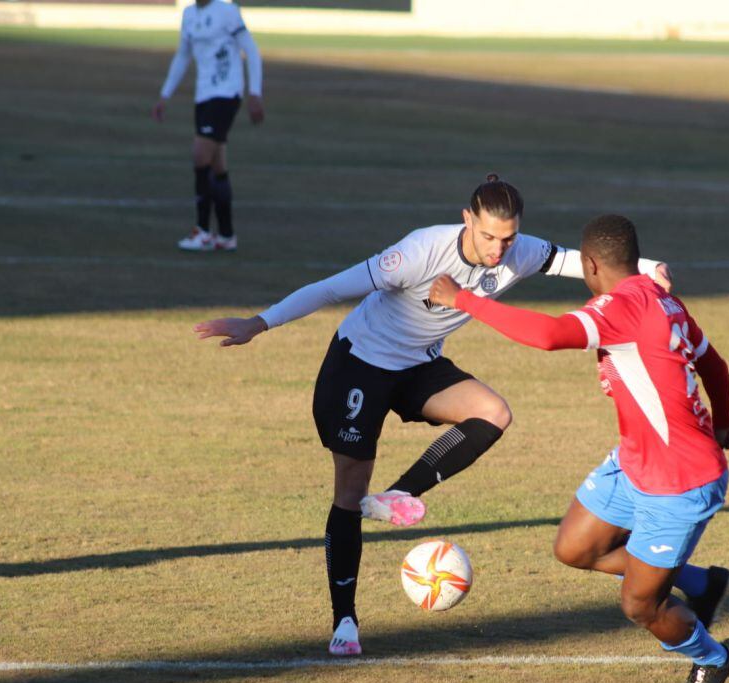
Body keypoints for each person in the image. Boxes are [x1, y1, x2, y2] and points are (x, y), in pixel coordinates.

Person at [194, 176, 671, 656]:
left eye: (508, 238)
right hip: (359, 364)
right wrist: (258, 323)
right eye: (488, 236)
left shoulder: (518, 251)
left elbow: (574, 260)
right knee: (349, 493)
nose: (499, 249)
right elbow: (331, 287)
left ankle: (401, 493)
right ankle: (345, 620)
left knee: (493, 412)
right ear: (468, 220)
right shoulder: (420, 250)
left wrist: (650, 268)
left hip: (417, 365)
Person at [428, 214, 729, 683]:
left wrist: (461, 299)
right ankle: (702, 584)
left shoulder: (622, 307)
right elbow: (712, 363)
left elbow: (550, 335)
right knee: (574, 549)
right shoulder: (661, 298)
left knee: (640, 605)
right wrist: (723, 419)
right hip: (635, 461)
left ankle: (712, 658)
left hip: (680, 482)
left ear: (591, 264)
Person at [153, 0, 265, 252]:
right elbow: (183, 55)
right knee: (217, 165)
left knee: (200, 155)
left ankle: (202, 231)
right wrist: (164, 95)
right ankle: (226, 235)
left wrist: (255, 92)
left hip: (226, 93)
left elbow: (252, 50)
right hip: (203, 96)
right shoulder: (188, 15)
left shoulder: (228, 12)